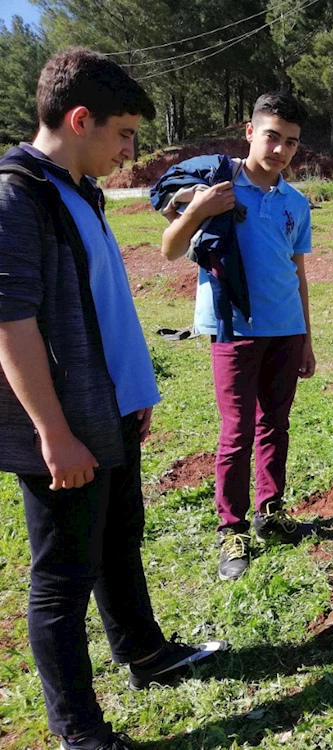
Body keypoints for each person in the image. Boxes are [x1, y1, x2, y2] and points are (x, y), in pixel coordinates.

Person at [0, 48, 227, 750]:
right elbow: (11, 323)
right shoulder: (18, 197)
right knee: (61, 579)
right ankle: (80, 735)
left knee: (119, 540)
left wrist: (134, 392)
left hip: (110, 411)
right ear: (79, 118)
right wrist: (53, 433)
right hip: (65, 428)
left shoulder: (78, 188)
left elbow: (100, 304)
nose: (131, 149)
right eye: (123, 133)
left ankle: (145, 653)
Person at [158, 93, 315, 581]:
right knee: (236, 432)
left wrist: (307, 336)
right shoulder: (215, 188)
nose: (280, 149)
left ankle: (271, 512)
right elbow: (169, 249)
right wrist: (198, 210)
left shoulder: (296, 202)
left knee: (276, 424)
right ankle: (233, 529)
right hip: (235, 329)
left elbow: (298, 271)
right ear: (250, 132)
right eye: (272, 136)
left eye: (290, 142)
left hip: (286, 329)